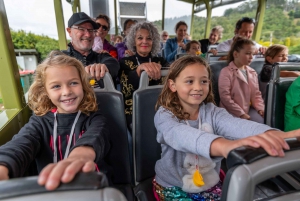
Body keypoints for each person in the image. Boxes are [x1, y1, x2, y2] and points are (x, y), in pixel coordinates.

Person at [153, 55, 300, 200]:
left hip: (209, 183)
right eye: (189, 81)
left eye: (203, 81)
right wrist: (226, 146)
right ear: (173, 85)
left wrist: (282, 136)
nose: (198, 87)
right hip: (173, 186)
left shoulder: (212, 111)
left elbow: (240, 126)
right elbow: (180, 135)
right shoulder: (165, 115)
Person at [0, 51, 110, 191]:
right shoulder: (39, 123)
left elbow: (96, 136)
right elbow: (20, 143)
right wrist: (3, 164)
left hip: (91, 187)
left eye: (73, 83)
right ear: (45, 91)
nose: (66, 92)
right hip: (50, 189)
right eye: (56, 86)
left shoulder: (95, 118)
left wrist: (80, 156)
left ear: (83, 85)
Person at [118, 21, 169, 128]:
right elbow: (126, 90)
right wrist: (139, 70)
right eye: (140, 38)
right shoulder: (124, 62)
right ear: (133, 41)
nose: (144, 41)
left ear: (153, 41)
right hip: (134, 111)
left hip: (160, 108)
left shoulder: (161, 62)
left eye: (149, 38)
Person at [63, 12, 119, 88]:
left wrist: (103, 67)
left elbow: (114, 64)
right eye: (81, 29)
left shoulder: (101, 56)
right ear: (69, 31)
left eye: (91, 30)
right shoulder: (60, 58)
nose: (88, 34)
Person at [218, 37, 264, 123]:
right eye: (248, 53)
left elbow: (256, 94)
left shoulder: (252, 72)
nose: (251, 57)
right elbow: (225, 97)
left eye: (253, 54)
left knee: (262, 121)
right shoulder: (226, 72)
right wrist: (241, 113)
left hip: (247, 109)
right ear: (236, 54)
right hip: (230, 112)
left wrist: (260, 108)